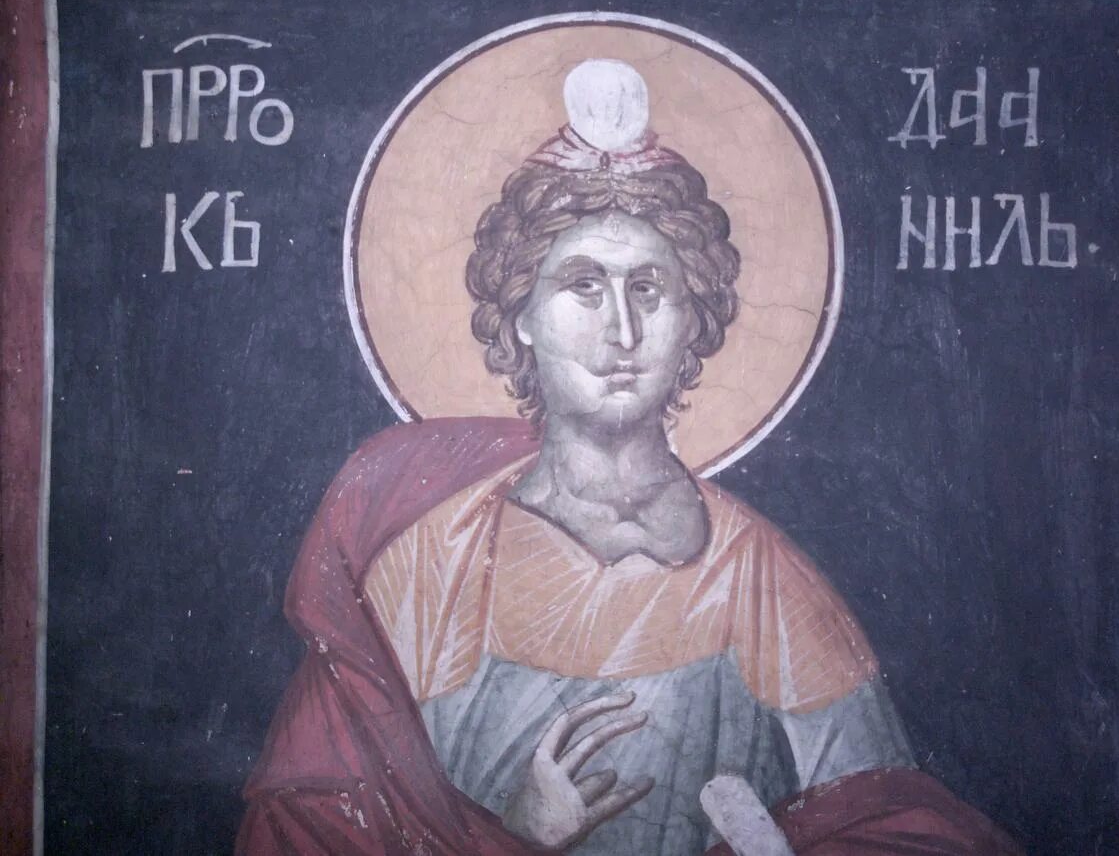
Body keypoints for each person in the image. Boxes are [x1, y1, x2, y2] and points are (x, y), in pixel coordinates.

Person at [238, 60, 1021, 855]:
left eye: (649, 289)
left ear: (694, 320)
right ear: (522, 317)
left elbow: (889, 823)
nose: (622, 329)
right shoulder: (427, 563)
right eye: (583, 286)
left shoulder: (760, 583)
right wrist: (512, 837)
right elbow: (314, 829)